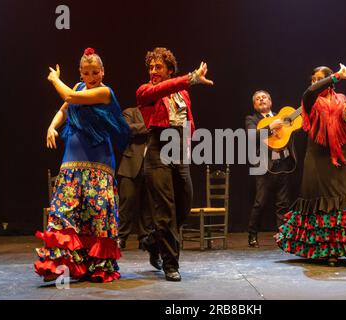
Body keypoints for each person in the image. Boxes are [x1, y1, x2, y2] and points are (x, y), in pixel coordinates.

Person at [275, 64, 346, 266]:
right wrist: (336, 76)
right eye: (314, 80)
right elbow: (310, 91)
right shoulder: (309, 101)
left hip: (343, 156)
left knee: (345, 201)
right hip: (317, 157)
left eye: (320, 79)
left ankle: (341, 249)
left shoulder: (343, 101)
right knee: (319, 204)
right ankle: (323, 250)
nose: (316, 83)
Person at [34, 48, 130, 282]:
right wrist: (52, 126)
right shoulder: (77, 87)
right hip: (72, 160)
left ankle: (98, 266)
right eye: (86, 73)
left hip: (99, 162)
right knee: (64, 211)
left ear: (102, 72)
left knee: (96, 215)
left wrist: (56, 80)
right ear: (80, 73)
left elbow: (68, 98)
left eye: (95, 72)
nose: (91, 77)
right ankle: (60, 266)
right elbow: (64, 109)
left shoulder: (105, 92)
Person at [136, 47, 213, 281]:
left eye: (159, 67)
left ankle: (151, 239)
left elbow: (188, 120)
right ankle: (171, 264)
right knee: (165, 210)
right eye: (151, 67)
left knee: (184, 204)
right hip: (158, 148)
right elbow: (165, 88)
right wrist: (191, 78)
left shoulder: (183, 94)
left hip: (179, 150)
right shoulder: (146, 90)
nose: (154, 71)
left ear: (170, 70)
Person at [245, 90, 297, 248]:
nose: (261, 100)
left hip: (284, 164)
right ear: (255, 105)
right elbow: (252, 136)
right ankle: (252, 235)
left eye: (264, 97)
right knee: (260, 202)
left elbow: (295, 125)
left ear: (270, 101)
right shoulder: (251, 119)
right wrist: (270, 127)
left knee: (283, 203)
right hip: (264, 166)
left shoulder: (282, 116)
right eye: (258, 99)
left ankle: (283, 237)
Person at [117, 106, 162, 270]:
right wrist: (151, 125)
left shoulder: (160, 114)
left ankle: (149, 246)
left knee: (149, 210)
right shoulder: (131, 112)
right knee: (126, 203)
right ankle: (120, 238)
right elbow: (126, 128)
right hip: (131, 165)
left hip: (153, 166)